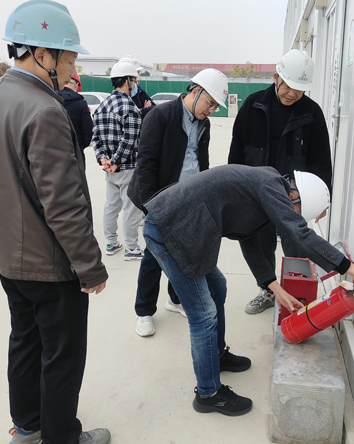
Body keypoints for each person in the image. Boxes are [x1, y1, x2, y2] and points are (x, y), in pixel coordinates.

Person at [0, 0, 111, 444]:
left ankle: (27, 424)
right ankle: (61, 436)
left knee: (25, 339)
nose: (72, 69)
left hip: (7, 256)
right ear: (42, 54)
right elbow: (63, 204)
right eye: (69, 59)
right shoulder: (45, 110)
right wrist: (90, 267)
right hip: (49, 262)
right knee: (62, 353)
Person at [140, 164, 354, 416]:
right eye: (297, 212)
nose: (292, 216)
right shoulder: (269, 186)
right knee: (203, 314)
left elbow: (248, 238)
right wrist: (350, 268)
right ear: (293, 196)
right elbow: (300, 234)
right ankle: (208, 394)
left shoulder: (266, 185)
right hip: (170, 229)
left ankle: (215, 355)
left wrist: (275, 288)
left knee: (218, 287)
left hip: (185, 229)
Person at [228, 49, 333, 315]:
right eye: (288, 86)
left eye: (299, 89)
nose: (292, 94)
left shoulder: (312, 113)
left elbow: (322, 160)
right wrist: (233, 190)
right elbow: (237, 152)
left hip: (294, 196)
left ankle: (296, 297)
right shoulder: (252, 105)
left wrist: (323, 198)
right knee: (261, 243)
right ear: (276, 78)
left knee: (297, 246)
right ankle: (268, 290)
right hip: (256, 192)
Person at [128, 68, 229, 337]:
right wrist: (151, 207)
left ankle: (175, 300)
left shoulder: (204, 124)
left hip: (189, 200)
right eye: (210, 103)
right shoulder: (160, 115)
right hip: (160, 200)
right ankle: (144, 311)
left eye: (216, 107)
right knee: (154, 256)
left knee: (184, 252)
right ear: (195, 92)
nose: (211, 110)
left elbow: (202, 161)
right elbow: (145, 164)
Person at [92, 60, 144, 260]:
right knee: (131, 208)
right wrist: (115, 161)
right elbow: (130, 140)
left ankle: (111, 243)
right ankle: (132, 248)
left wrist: (104, 159)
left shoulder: (102, 106)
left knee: (111, 206)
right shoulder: (130, 107)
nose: (135, 85)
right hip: (127, 166)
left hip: (110, 169)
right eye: (134, 81)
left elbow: (95, 137)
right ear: (127, 81)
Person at [59, 74, 93, 165]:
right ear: (76, 84)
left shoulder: (52, 99)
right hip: (76, 154)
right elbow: (88, 129)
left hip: (55, 154)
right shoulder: (81, 103)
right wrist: (81, 145)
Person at [118, 55, 156, 120]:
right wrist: (142, 111)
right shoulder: (118, 99)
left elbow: (154, 108)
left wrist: (143, 111)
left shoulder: (140, 92)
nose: (138, 75)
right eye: (137, 72)